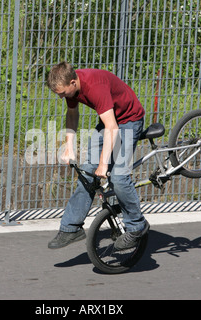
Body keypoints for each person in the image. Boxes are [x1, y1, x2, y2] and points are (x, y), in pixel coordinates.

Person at [45, 61, 149, 250]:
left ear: (72, 83)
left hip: (129, 120)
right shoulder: (71, 88)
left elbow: (113, 128)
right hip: (109, 120)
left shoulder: (95, 87)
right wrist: (69, 146)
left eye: (61, 93)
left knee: (119, 177)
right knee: (86, 173)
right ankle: (71, 228)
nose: (60, 97)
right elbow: (72, 113)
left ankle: (136, 225)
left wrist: (103, 163)